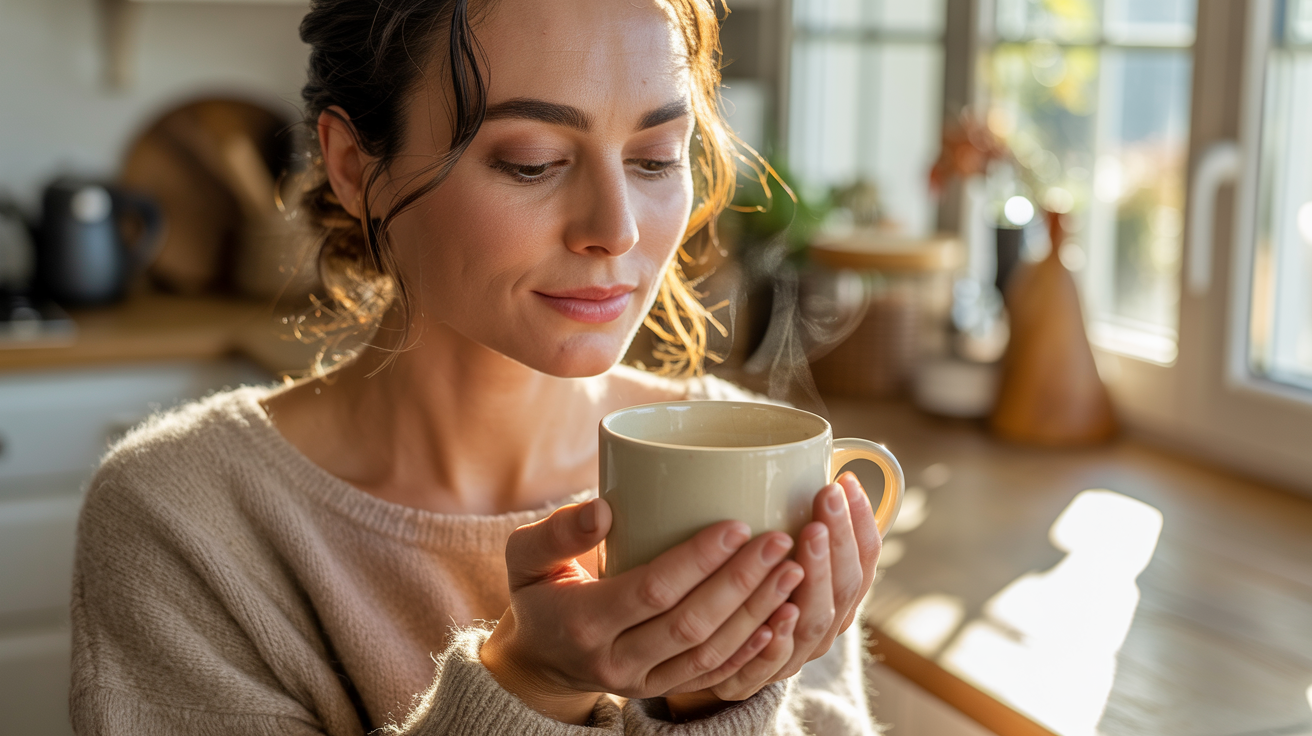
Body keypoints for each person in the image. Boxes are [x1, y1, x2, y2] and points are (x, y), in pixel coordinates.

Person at [69, 0, 884, 733]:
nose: (618, 229)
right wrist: (526, 689)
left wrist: (712, 699)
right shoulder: (180, 520)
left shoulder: (748, 469)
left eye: (656, 157)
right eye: (532, 161)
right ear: (355, 167)